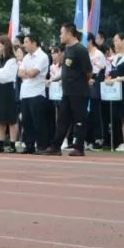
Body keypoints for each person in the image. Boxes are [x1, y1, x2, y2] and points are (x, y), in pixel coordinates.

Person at [46, 23, 90, 157]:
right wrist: (56, 80)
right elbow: (66, 71)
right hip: (67, 91)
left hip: (78, 91)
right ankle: (55, 146)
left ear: (70, 33)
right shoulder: (67, 49)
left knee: (79, 120)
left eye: (62, 33)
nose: (60, 35)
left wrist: (81, 84)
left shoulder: (80, 50)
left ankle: (79, 147)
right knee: (62, 119)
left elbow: (88, 71)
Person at [19, 34, 51, 155]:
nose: (24, 45)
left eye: (26, 42)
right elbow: (19, 73)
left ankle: (42, 146)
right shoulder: (26, 57)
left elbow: (33, 73)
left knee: (39, 121)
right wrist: (27, 73)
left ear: (34, 42)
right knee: (27, 122)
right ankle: (29, 145)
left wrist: (27, 73)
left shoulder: (42, 56)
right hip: (25, 93)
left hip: (37, 93)